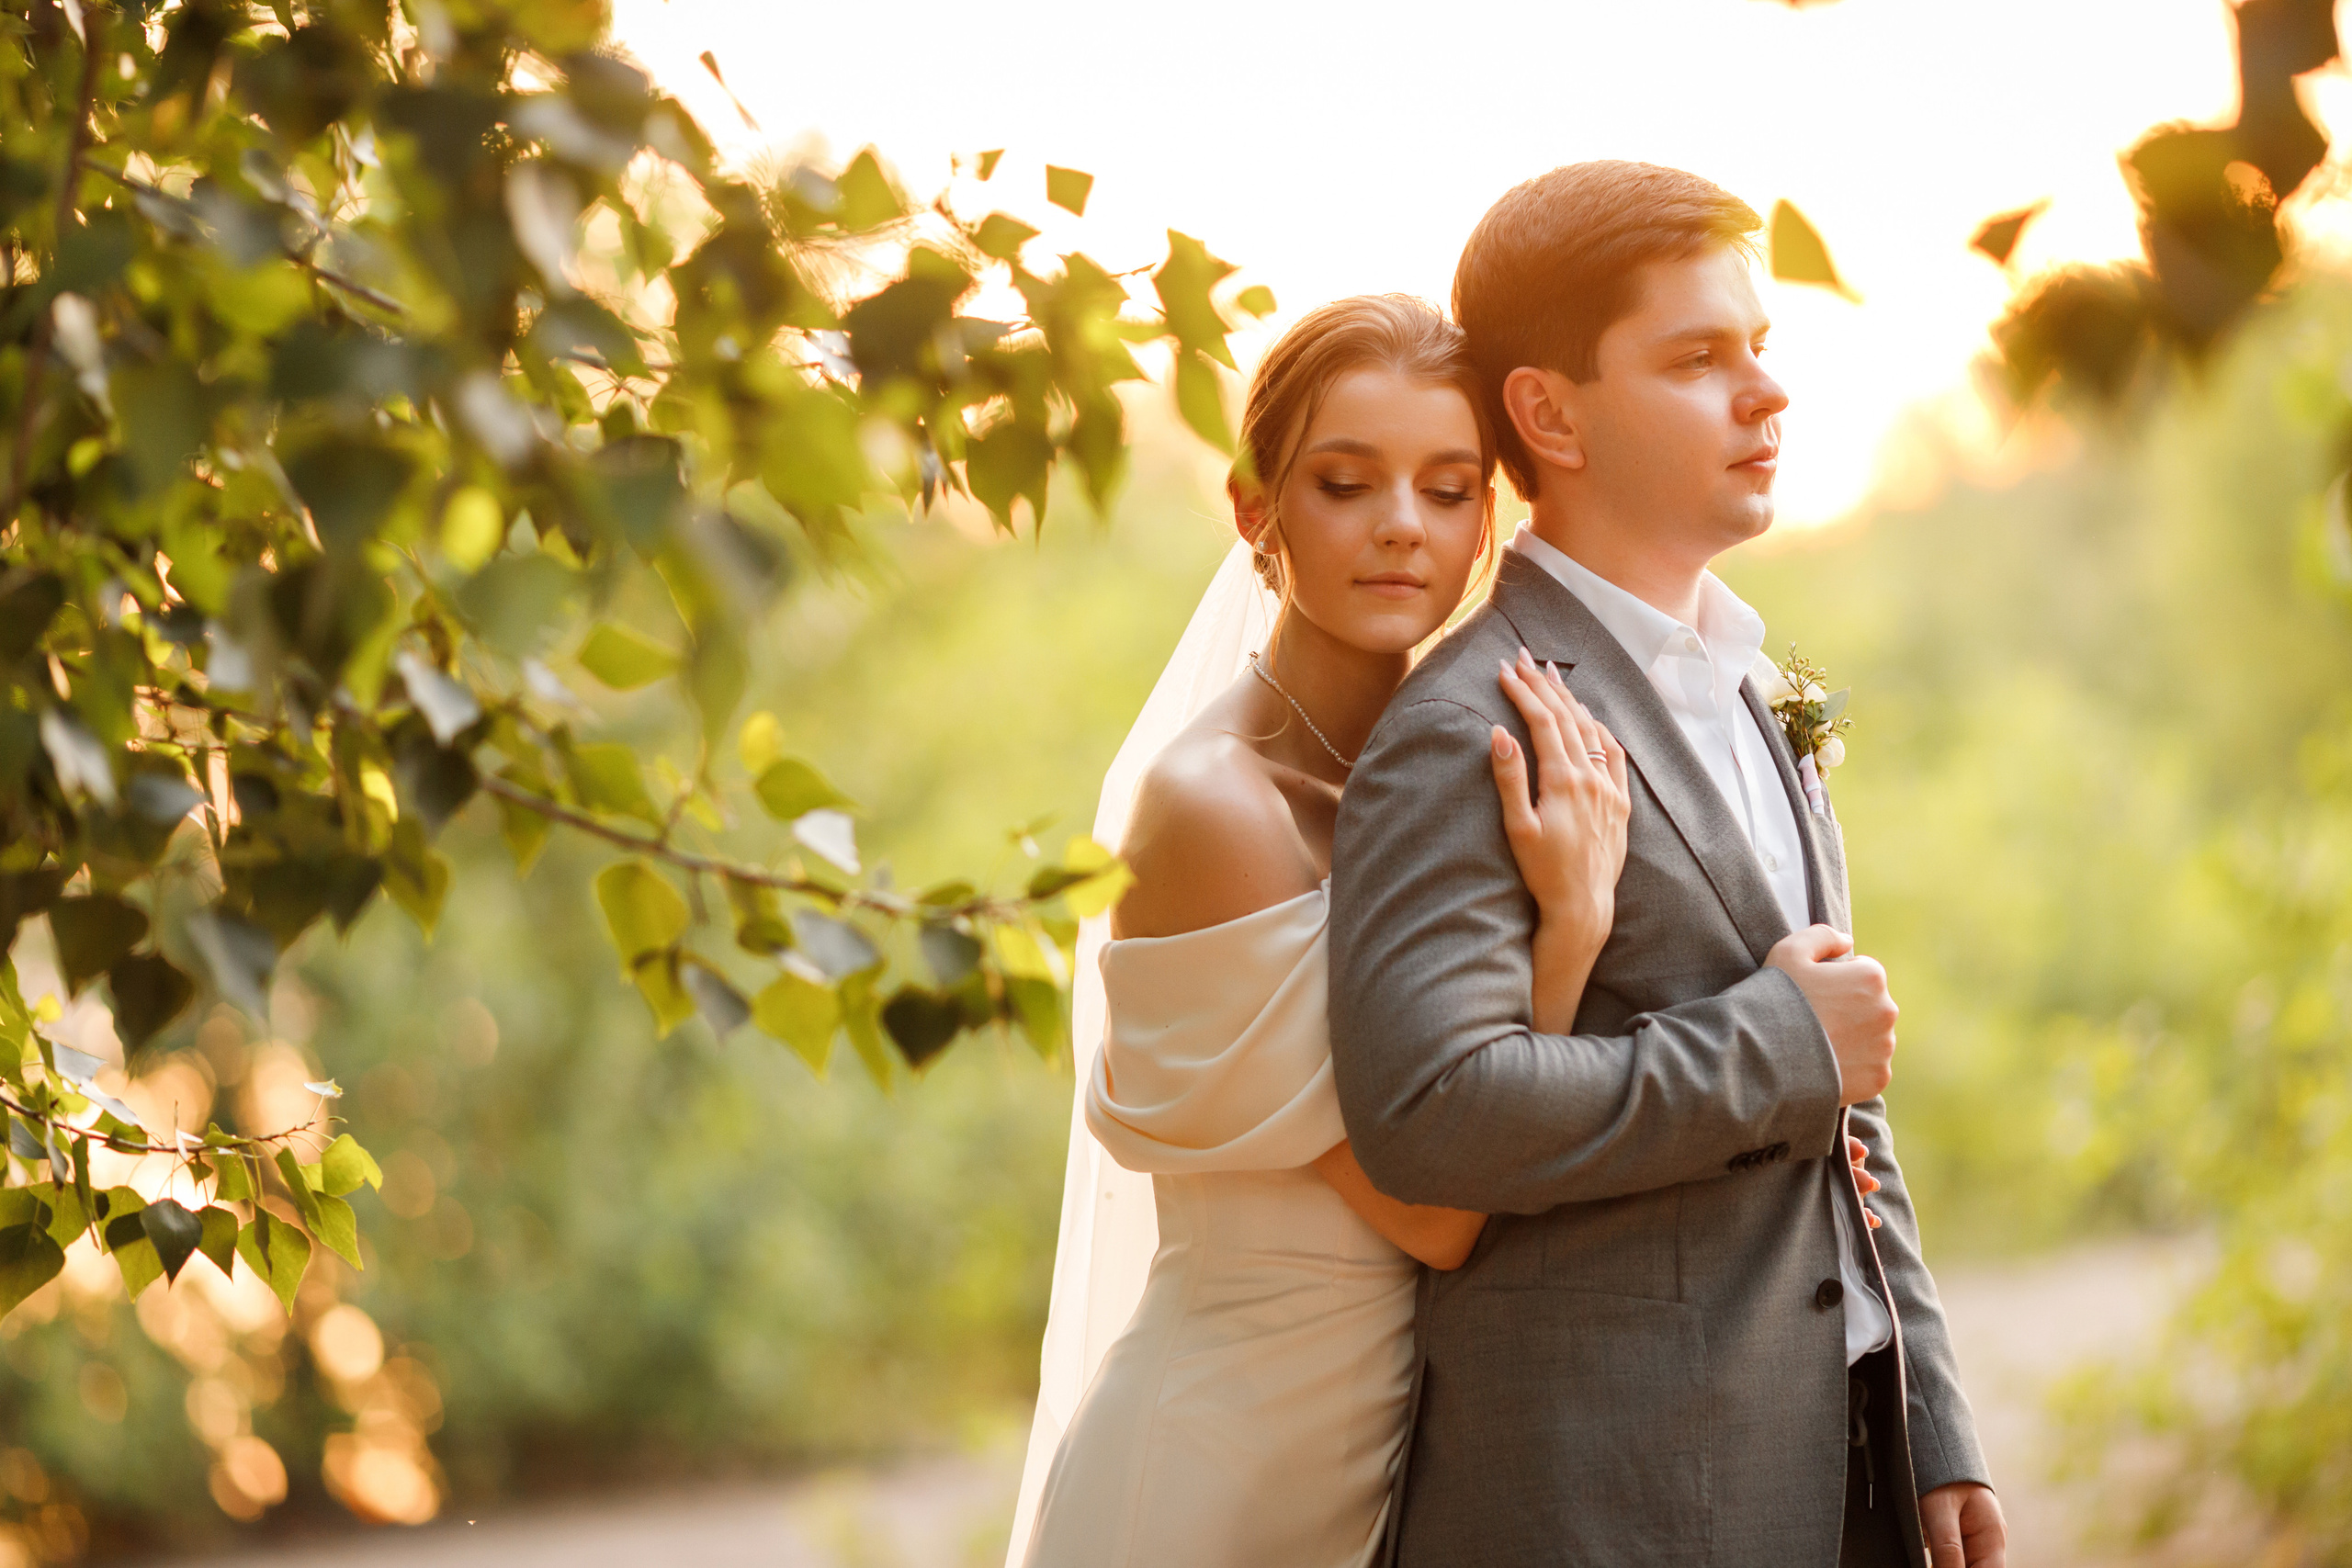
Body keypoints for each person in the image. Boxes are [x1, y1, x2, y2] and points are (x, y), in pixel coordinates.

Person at [1327, 162, 2004, 1568]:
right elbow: (1431, 1115)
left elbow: (1843, 1088)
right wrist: (1779, 1042)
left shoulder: (1761, 687)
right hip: (1611, 1505)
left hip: (1846, 1470)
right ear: (1550, 415)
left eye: (1759, 347)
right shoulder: (1466, 727)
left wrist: (1929, 1416)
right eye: (1699, 359)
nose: (1767, 393)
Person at [1006, 294, 1641, 1567]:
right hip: (1206, 1477)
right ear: (1257, 511)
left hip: (1377, 1477)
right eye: (1346, 484)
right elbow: (1436, 1214)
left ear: (1486, 523)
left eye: (1448, 490)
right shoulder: (1216, 808)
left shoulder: (1446, 775)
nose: (1403, 525)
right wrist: (1569, 930)